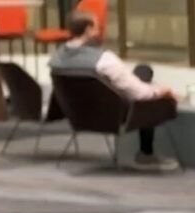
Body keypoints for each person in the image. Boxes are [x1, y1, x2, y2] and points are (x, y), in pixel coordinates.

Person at [50, 13, 181, 171]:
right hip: (115, 113)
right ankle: (146, 153)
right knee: (149, 87)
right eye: (97, 28)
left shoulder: (57, 58)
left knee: (142, 72)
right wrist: (164, 91)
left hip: (78, 114)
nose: (100, 31)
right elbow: (141, 94)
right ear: (88, 30)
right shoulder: (104, 60)